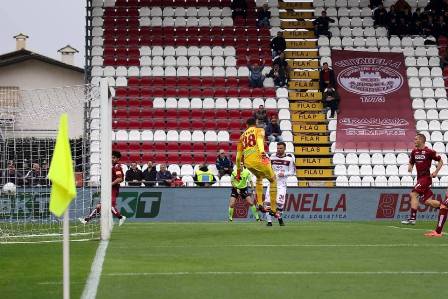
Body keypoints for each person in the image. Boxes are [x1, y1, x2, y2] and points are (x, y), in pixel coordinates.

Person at [401, 134, 445, 236]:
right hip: (419, 179)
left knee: (413, 194)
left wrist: (435, 172)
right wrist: (410, 167)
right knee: (427, 202)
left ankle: (412, 218)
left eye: (416, 139)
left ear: (421, 140)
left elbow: (441, 161)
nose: (414, 140)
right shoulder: (414, 152)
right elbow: (411, 162)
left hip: (426, 178)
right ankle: (444, 207)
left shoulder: (429, 152)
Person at [235, 118, 280, 219]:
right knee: (273, 180)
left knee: (259, 177)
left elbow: (238, 158)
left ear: (246, 125)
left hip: (248, 163)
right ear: (256, 123)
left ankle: (259, 203)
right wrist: (263, 154)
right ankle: (273, 209)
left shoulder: (241, 137)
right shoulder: (259, 130)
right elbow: (259, 141)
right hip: (259, 159)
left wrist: (238, 173)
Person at [79, 151, 126, 226]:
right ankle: (86, 219)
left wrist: (110, 184)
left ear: (118, 159)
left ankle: (121, 217)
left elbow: (120, 179)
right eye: (111, 157)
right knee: (99, 206)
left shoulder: (117, 166)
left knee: (109, 205)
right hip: (109, 189)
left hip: (113, 189)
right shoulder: (112, 166)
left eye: (114, 158)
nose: (112, 159)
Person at [264, 142, 295, 226]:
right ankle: (269, 222)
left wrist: (284, 174)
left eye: (280, 148)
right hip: (272, 182)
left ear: (284, 149)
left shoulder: (289, 159)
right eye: (278, 148)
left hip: (282, 184)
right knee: (267, 203)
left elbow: (292, 171)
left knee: (279, 204)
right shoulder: (272, 157)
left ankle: (280, 218)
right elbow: (268, 168)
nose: (279, 150)